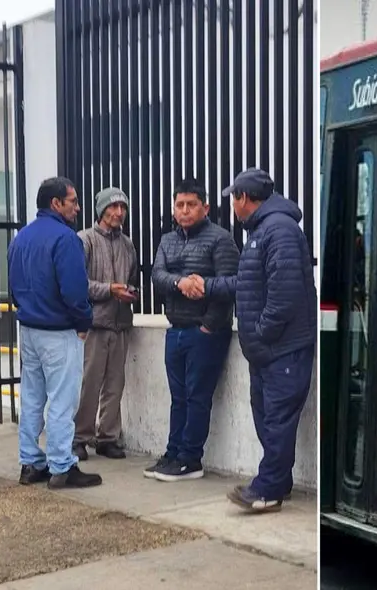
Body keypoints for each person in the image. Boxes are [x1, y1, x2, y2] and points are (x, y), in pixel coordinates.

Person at [189, 168, 316, 512]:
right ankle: (278, 481)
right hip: (268, 350)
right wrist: (207, 286)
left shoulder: (278, 231)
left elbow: (284, 296)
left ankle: (267, 489)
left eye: (233, 197)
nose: (232, 204)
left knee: (276, 419)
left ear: (244, 198)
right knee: (268, 416)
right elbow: (246, 284)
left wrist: (261, 333)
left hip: (282, 348)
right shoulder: (263, 231)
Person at [9, 177, 101, 489]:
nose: (77, 206)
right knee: (63, 400)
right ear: (56, 204)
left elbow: (13, 286)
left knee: (32, 397)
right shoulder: (66, 239)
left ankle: (31, 462)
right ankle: (62, 465)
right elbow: (75, 290)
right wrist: (83, 322)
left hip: (30, 328)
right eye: (72, 201)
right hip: (59, 330)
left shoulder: (21, 237)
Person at [145, 178, 239, 482]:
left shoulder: (220, 239)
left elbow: (229, 285)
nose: (184, 210)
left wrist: (208, 326)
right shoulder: (167, 240)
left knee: (198, 397)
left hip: (205, 333)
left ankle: (190, 459)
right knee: (179, 397)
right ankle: (173, 453)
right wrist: (179, 283)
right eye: (179, 205)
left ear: (205, 207)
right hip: (175, 329)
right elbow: (157, 276)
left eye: (191, 204)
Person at [73, 187, 139, 461]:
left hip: (120, 323)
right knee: (89, 383)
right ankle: (80, 437)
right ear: (100, 210)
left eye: (122, 207)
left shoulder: (127, 244)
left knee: (115, 384)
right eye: (113, 207)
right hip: (94, 325)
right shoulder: (84, 240)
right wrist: (109, 289)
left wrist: (129, 291)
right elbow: (78, 284)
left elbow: (131, 275)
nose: (118, 213)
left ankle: (108, 437)